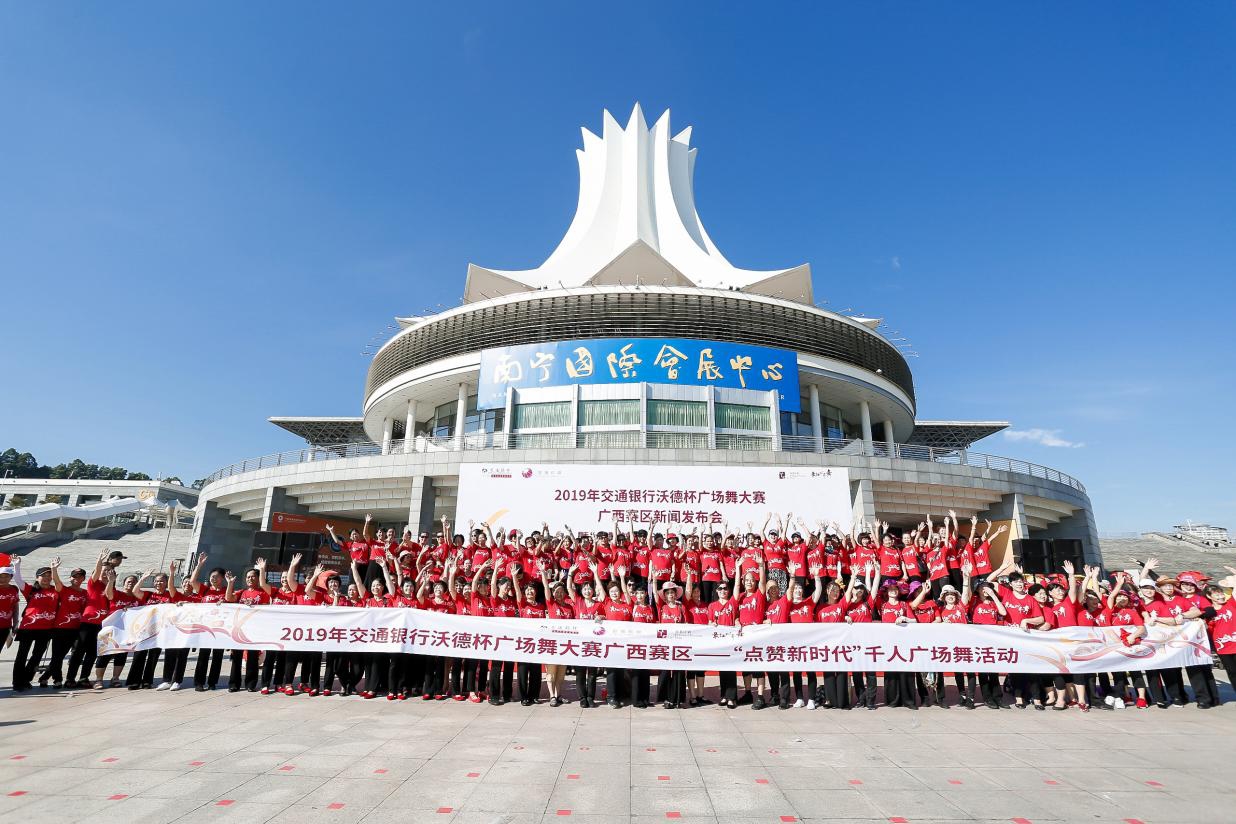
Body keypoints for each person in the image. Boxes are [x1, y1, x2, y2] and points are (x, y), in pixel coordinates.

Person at [10, 558, 59, 692]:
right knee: (22, 655)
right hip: (28, 628)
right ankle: (17, 682)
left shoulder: (56, 591)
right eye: (43, 576)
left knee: (37, 656)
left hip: (46, 629)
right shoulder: (31, 590)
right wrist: (17, 565)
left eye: (49, 576)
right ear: (37, 578)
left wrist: (54, 569)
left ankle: (26, 679)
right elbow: (18, 580)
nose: (47, 578)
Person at [40, 560, 88, 688]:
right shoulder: (64, 590)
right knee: (57, 655)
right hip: (60, 627)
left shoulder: (85, 593)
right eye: (75, 576)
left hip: (76, 628)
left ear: (83, 578)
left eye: (80, 576)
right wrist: (54, 569)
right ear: (70, 578)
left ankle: (45, 677)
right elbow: (56, 582)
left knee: (62, 656)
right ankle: (57, 679)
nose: (77, 579)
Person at [226, 561, 270, 692]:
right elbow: (229, 598)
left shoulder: (263, 592)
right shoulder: (242, 592)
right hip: (239, 629)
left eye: (252, 576)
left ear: (258, 578)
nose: (250, 579)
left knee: (252, 657)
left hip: (254, 629)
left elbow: (267, 608)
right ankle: (234, 683)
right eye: (248, 577)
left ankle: (251, 683)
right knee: (236, 657)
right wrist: (230, 583)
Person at [192, 560, 230, 691]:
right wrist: (199, 565)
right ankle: (199, 682)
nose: (213, 578)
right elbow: (192, 582)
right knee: (203, 655)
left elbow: (231, 600)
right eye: (211, 576)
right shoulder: (205, 590)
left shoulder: (226, 591)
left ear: (222, 578)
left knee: (217, 657)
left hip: (220, 629)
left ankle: (212, 682)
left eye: (216, 576)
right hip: (206, 629)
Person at [654, 579, 688, 709]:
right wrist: (654, 579)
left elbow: (686, 625)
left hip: (679, 643)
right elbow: (655, 595)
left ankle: (677, 699)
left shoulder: (681, 607)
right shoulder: (662, 608)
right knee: (665, 671)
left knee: (679, 672)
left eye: (672, 592)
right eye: (668, 593)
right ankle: (666, 698)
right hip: (665, 644)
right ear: (665, 595)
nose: (671, 595)